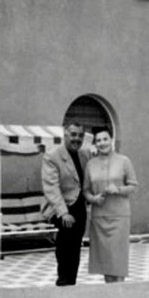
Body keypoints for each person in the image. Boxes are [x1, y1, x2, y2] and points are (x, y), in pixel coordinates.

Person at [83, 126, 138, 283]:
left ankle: (119, 291)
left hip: (119, 216)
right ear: (95, 143)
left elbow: (134, 186)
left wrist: (118, 189)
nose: (102, 143)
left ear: (111, 140)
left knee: (118, 259)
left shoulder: (124, 161)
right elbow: (85, 190)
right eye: (98, 140)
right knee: (105, 259)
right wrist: (94, 199)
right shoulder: (90, 165)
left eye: (105, 139)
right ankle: (110, 291)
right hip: (99, 218)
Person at [41, 121, 91, 286]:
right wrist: (63, 213)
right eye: (73, 134)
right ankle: (62, 280)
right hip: (63, 207)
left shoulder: (85, 155)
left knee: (75, 246)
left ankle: (71, 282)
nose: (77, 138)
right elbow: (51, 187)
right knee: (65, 244)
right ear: (65, 135)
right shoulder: (52, 156)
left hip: (80, 207)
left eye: (80, 135)